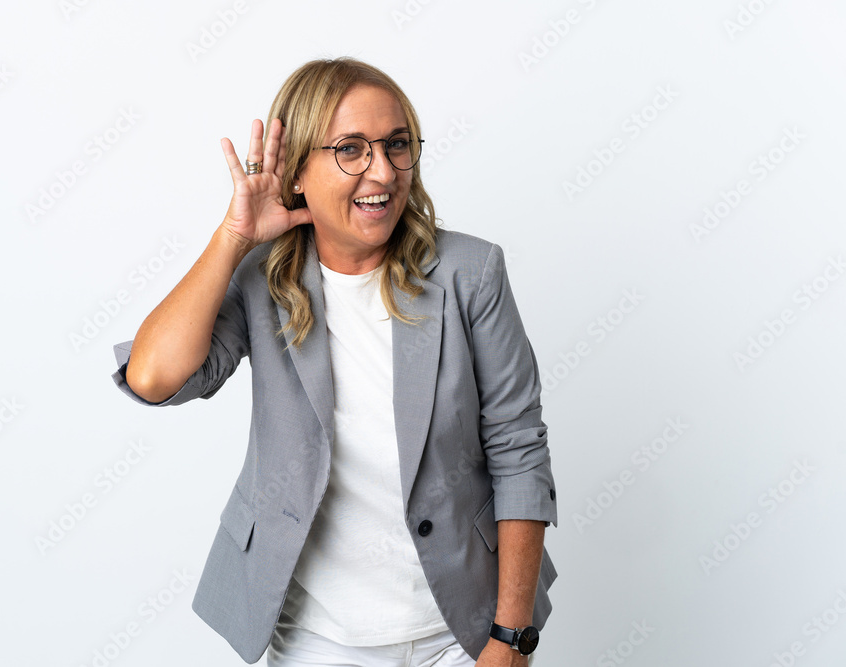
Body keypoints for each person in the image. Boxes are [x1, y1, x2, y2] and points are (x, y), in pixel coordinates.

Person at [110, 57, 557, 666]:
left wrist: (511, 638)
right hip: (318, 641)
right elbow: (153, 377)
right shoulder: (261, 280)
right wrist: (234, 237)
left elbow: (518, 448)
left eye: (396, 144)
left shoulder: (469, 274)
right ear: (296, 172)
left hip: (461, 631)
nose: (383, 170)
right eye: (351, 148)